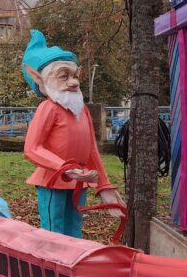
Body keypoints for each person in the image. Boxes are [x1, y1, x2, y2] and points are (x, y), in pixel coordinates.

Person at [22, 30, 123, 237]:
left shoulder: (81, 110)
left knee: (74, 228)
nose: (74, 82)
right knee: (54, 230)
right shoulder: (48, 108)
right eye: (64, 76)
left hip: (79, 180)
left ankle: (73, 257)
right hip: (52, 180)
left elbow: (91, 150)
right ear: (40, 80)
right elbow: (32, 148)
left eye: (75, 75)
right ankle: (52, 259)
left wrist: (104, 185)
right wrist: (64, 168)